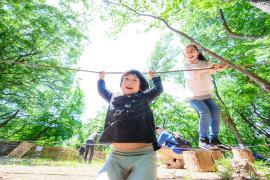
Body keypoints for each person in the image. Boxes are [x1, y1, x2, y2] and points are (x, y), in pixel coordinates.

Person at [95, 69, 163, 180]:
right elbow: (102, 90)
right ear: (121, 84)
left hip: (144, 156)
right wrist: (101, 78)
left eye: (134, 80)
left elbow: (158, 89)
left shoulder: (144, 98)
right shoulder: (113, 98)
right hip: (116, 157)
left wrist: (154, 77)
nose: (129, 82)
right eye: (126, 79)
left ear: (140, 87)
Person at [183, 44, 230, 151]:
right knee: (205, 112)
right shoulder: (187, 66)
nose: (190, 53)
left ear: (197, 53)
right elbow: (194, 77)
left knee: (216, 111)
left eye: (192, 51)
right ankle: (203, 139)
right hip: (193, 95)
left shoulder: (205, 63)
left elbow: (214, 69)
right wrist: (208, 68)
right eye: (187, 52)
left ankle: (215, 140)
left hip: (206, 94)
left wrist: (221, 67)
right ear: (185, 55)